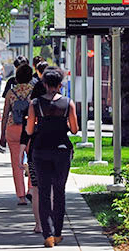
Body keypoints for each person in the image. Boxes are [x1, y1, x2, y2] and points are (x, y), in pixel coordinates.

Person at [25, 67, 78, 247]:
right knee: (60, 191)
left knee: (44, 192)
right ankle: (57, 232)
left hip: (41, 150)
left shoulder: (35, 104)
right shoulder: (68, 103)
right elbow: (74, 129)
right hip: (62, 150)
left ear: (45, 84)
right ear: (60, 84)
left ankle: (47, 234)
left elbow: (30, 130)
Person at [0, 64, 34, 205]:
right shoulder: (34, 91)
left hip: (13, 129)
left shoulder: (11, 92)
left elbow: (5, 113)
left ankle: (21, 196)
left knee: (16, 163)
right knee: (32, 161)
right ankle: (31, 190)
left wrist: (2, 134)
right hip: (29, 129)